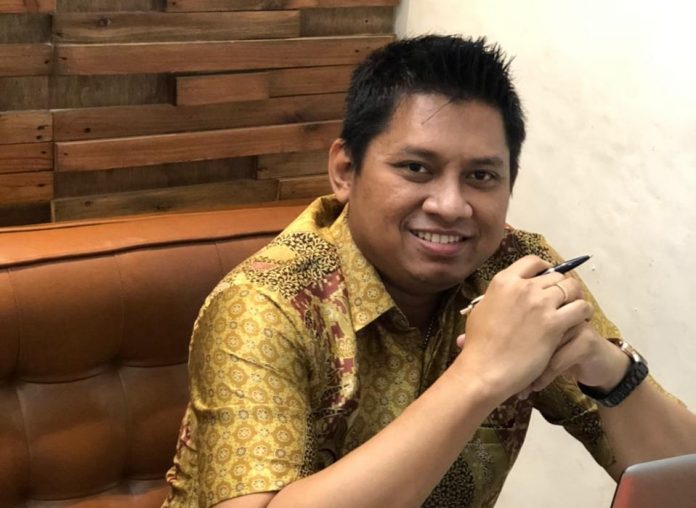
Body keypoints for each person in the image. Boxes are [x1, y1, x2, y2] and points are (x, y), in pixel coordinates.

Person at [163, 35, 696, 507]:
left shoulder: (517, 271)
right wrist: (479, 375)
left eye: (481, 176)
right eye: (416, 168)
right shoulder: (267, 302)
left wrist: (608, 370)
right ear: (345, 171)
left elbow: (683, 482)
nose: (450, 206)